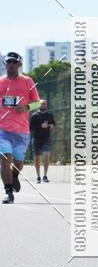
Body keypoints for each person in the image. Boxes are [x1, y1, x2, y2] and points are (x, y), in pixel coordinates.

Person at [0, 52, 40, 204]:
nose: (11, 64)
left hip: (21, 131)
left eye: (14, 62)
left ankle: (15, 176)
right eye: (9, 62)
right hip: (3, 130)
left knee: (18, 162)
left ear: (19, 65)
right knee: (5, 158)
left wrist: (26, 107)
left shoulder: (27, 81)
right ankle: (8, 192)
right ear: (5, 64)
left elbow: (37, 102)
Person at [29, 99, 56, 183]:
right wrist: (41, 126)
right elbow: (30, 128)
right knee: (37, 158)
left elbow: (53, 124)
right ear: (39, 105)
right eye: (42, 104)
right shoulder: (34, 115)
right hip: (36, 139)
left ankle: (45, 176)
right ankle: (38, 176)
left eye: (45, 104)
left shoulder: (49, 115)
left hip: (46, 138)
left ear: (46, 105)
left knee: (47, 156)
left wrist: (50, 125)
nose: (43, 105)